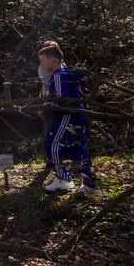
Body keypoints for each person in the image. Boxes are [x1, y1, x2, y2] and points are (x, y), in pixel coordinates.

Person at [38, 44, 100, 194]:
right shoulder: (68, 73)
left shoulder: (59, 75)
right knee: (78, 148)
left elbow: (61, 101)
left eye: (42, 60)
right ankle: (90, 184)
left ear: (53, 58)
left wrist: (45, 106)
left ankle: (63, 179)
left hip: (66, 118)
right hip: (78, 116)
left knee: (52, 143)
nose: (41, 64)